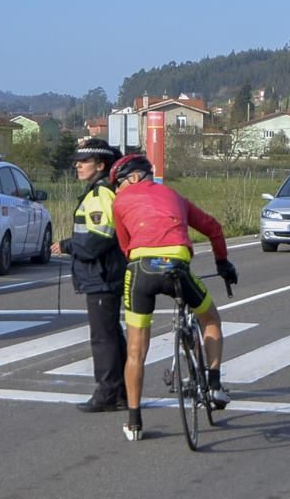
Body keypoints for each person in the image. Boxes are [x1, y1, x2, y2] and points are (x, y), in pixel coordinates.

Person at [108, 154, 239, 442]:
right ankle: (214, 384)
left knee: (135, 350)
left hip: (140, 269)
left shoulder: (119, 203)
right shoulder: (174, 195)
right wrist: (222, 263)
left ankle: (134, 422)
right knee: (210, 319)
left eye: (118, 183)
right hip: (177, 266)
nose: (117, 190)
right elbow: (214, 228)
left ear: (132, 178)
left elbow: (125, 246)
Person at [51, 139, 128, 413]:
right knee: (111, 333)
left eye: (83, 162)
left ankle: (108, 392)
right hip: (106, 273)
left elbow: (99, 239)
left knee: (103, 337)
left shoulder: (100, 194)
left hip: (102, 274)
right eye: (77, 161)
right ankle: (120, 391)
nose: (77, 166)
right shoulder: (101, 191)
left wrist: (68, 245)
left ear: (101, 165)